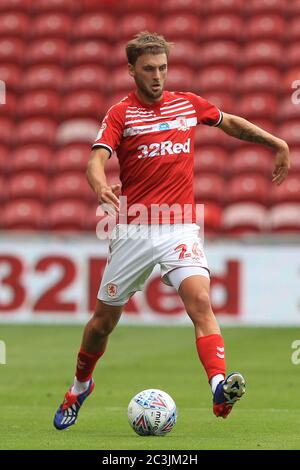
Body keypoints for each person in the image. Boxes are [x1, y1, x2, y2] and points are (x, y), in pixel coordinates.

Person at [53, 32, 290, 430]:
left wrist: (276, 142)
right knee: (101, 324)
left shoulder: (186, 103)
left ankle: (218, 387)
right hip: (133, 232)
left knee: (200, 301)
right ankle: (79, 387)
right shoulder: (120, 114)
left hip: (178, 225)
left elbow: (228, 121)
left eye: (162, 67)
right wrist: (99, 186)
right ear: (132, 70)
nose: (158, 76)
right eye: (149, 69)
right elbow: (96, 160)